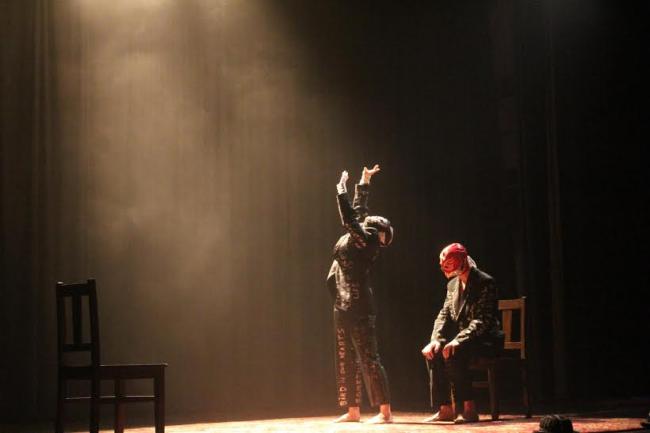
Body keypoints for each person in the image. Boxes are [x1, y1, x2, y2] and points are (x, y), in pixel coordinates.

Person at [326, 164, 394, 424]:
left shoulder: (365, 241)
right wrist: (364, 182)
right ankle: (353, 410)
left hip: (359, 306)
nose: (364, 219)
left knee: (368, 358)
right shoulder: (363, 234)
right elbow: (358, 212)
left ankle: (385, 412)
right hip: (342, 303)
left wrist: (341, 191)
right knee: (345, 358)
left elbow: (350, 219)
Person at [421, 243, 503, 424]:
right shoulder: (452, 285)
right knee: (435, 351)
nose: (447, 269)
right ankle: (445, 409)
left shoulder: (485, 282)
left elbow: (482, 320)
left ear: (462, 260)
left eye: (450, 264)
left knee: (455, 351)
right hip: (466, 340)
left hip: (485, 340)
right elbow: (444, 315)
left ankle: (469, 409)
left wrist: (459, 339)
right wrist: (435, 339)